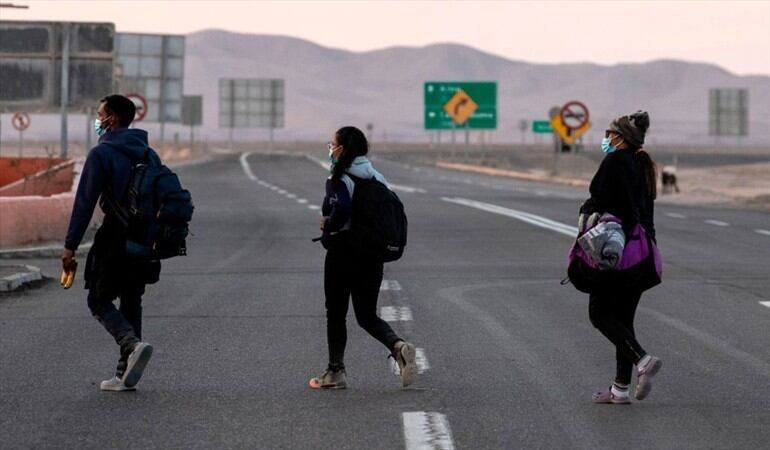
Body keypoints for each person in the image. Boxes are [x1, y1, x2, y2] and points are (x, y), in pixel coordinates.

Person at [62, 94, 160, 392]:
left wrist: (70, 246)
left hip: (115, 235)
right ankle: (124, 373)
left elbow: (84, 203)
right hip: (146, 238)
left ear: (112, 118)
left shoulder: (102, 153)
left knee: (98, 298)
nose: (97, 118)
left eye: (99, 113)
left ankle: (130, 346)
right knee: (132, 298)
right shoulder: (148, 153)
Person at [310, 126, 417, 389]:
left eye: (332, 144)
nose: (330, 149)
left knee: (336, 313)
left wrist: (329, 225)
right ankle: (397, 345)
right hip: (372, 256)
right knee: (367, 315)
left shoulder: (340, 178)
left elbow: (342, 209)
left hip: (343, 254)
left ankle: (335, 371)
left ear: (342, 149)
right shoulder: (376, 176)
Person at [585, 111, 663, 404]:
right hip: (642, 251)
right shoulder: (643, 165)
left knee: (599, 313)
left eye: (609, 134)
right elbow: (647, 213)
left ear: (619, 137)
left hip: (616, 251)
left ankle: (643, 361)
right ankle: (619, 390)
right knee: (623, 320)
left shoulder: (615, 161)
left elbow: (598, 197)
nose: (605, 139)